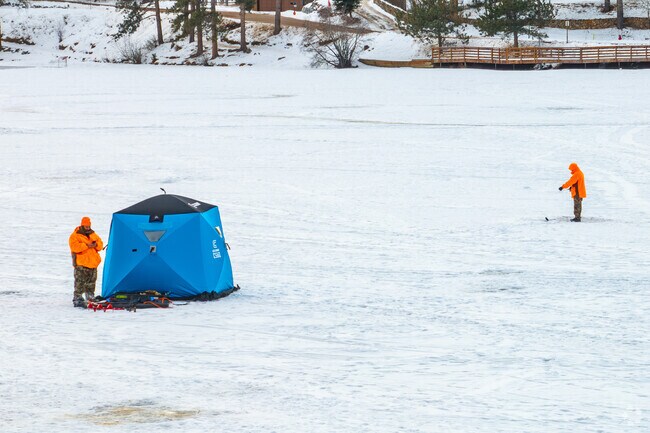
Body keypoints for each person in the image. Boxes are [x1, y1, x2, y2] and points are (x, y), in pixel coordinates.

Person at [69, 216, 103, 307]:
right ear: (82, 225)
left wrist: (95, 245)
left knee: (91, 282)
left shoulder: (93, 234)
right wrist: (87, 245)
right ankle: (77, 298)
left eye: (89, 226)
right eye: (86, 226)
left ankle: (90, 296)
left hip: (93, 263)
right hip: (81, 263)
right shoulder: (75, 235)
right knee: (80, 282)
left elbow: (100, 245)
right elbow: (75, 247)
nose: (88, 228)